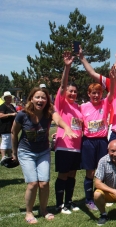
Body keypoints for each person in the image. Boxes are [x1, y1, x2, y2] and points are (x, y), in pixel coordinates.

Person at [11, 87, 78, 224]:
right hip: (26, 152)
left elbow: (58, 120)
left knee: (44, 183)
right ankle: (29, 212)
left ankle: (43, 210)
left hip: (43, 152)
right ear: (31, 99)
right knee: (33, 183)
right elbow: (13, 132)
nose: (40, 100)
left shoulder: (49, 112)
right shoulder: (22, 115)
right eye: (37, 97)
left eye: (43, 98)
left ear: (47, 100)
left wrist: (66, 128)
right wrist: (14, 152)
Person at [80, 66, 116, 210]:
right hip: (88, 142)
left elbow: (112, 92)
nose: (96, 95)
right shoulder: (83, 106)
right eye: (93, 93)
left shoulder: (105, 103)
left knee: (104, 170)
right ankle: (89, 199)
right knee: (90, 171)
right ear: (89, 94)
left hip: (102, 141)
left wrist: (113, 78)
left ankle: (104, 195)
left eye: (99, 93)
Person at [54, 51, 84, 214]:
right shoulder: (61, 103)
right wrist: (67, 67)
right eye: (70, 91)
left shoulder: (77, 107)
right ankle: (59, 205)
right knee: (63, 175)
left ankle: (69, 202)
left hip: (76, 148)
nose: (72, 93)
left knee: (72, 175)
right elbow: (63, 85)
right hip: (64, 146)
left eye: (75, 91)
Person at [0, 91, 17, 163]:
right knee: (5, 141)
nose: (9, 99)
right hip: (5, 127)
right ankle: (3, 156)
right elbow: (1, 115)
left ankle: (10, 155)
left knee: (10, 141)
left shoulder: (12, 106)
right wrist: (11, 114)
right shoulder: (3, 106)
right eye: (7, 98)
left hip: (11, 127)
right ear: (5, 98)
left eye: (10, 98)